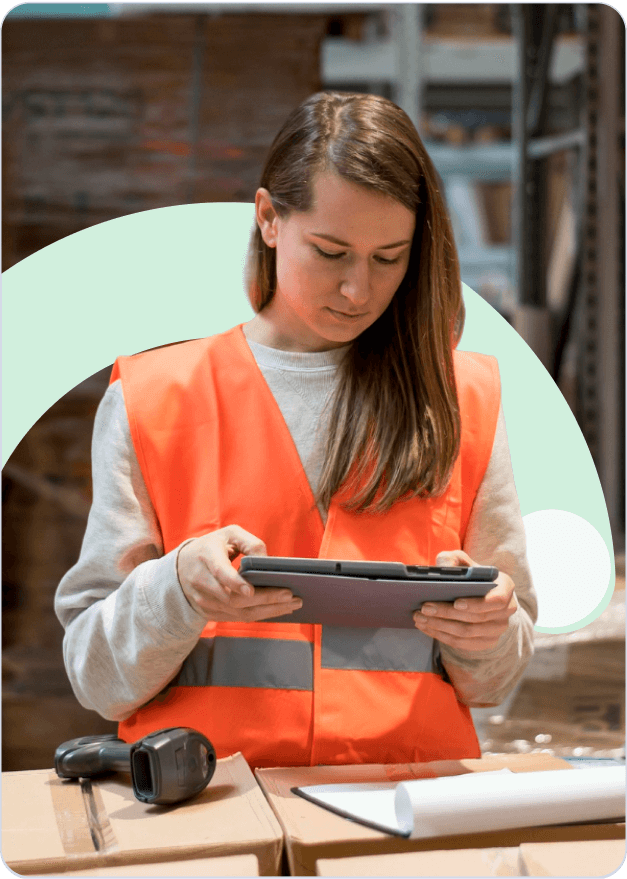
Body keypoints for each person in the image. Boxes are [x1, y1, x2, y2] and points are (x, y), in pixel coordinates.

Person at [55, 91, 537, 769]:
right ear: (268, 219)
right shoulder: (154, 397)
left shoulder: (462, 399)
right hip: (215, 807)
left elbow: (494, 680)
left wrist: (485, 633)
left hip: (404, 810)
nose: (357, 290)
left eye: (388, 258)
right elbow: (96, 679)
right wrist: (177, 591)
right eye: (331, 252)